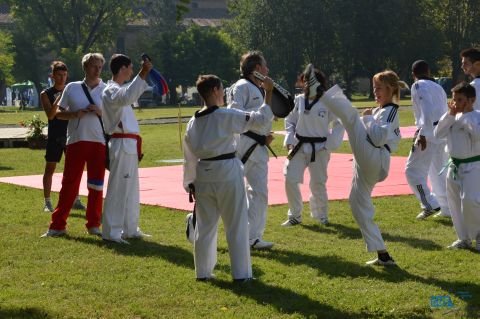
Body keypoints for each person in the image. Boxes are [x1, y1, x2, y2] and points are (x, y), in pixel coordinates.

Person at [183, 74, 274, 281]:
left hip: (203, 174)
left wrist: (190, 183)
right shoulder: (225, 115)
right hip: (227, 172)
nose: (224, 93)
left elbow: (188, 158)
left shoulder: (193, 122)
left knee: (205, 227)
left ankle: (203, 273)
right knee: (236, 225)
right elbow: (260, 119)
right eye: (222, 89)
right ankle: (241, 274)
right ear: (215, 90)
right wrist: (268, 92)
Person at [317, 70, 403, 266]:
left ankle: (322, 92)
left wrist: (367, 118)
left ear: (390, 89)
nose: (375, 91)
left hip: (376, 158)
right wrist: (369, 118)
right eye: (374, 88)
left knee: (353, 119)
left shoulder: (391, 110)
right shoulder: (380, 110)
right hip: (367, 161)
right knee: (357, 203)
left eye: (379, 88)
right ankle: (383, 254)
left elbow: (379, 137)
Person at [41, 53, 107, 237]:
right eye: (94, 66)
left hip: (98, 142)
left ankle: (94, 224)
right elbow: (57, 114)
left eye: (100, 67)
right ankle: (57, 226)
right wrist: (74, 114)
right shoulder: (72, 88)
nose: (97, 70)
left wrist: (100, 112)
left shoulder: (107, 89)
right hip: (76, 141)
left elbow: (115, 118)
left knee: (96, 186)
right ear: (85, 67)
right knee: (69, 184)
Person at [281, 66, 344, 227]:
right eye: (305, 82)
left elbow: (339, 123)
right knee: (290, 178)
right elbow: (290, 120)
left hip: (320, 147)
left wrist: (329, 144)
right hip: (299, 146)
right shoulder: (299, 100)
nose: (306, 85)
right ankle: (295, 214)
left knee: (318, 183)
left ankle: (320, 215)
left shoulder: (328, 102)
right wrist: (289, 139)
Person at [101, 54, 153, 244]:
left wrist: (142, 75)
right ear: (122, 68)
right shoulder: (110, 91)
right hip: (120, 143)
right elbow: (127, 96)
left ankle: (130, 228)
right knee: (118, 188)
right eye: (130, 68)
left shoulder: (120, 90)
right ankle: (112, 232)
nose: (131, 71)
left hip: (129, 143)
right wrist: (143, 73)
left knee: (131, 188)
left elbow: (131, 94)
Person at [227, 51, 275, 250]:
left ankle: (251, 237)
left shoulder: (254, 88)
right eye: (264, 66)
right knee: (235, 193)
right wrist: (268, 96)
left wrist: (263, 134)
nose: (267, 69)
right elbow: (235, 116)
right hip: (246, 146)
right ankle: (247, 237)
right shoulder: (242, 87)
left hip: (256, 146)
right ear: (257, 69)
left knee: (257, 193)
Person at [434, 82, 480, 251]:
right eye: (454, 99)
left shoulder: (477, 116)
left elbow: (477, 136)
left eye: (460, 100)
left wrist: (466, 116)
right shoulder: (451, 117)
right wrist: (450, 116)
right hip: (454, 165)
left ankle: (479, 234)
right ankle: (463, 238)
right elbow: (438, 134)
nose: (455, 103)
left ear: (471, 100)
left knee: (470, 200)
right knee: (453, 202)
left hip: (474, 165)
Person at [404, 60, 450, 220]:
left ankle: (429, 203)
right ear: (429, 71)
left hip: (428, 132)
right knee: (437, 171)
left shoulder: (418, 86)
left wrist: (422, 133)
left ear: (413, 74)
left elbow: (427, 110)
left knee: (412, 170)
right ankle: (446, 207)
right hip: (441, 131)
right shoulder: (439, 87)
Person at [40, 61, 86, 213]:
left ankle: (76, 199)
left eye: (64, 75)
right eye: (59, 75)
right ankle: (47, 202)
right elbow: (51, 115)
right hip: (55, 136)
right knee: (50, 168)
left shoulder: (71, 90)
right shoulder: (45, 94)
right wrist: (58, 100)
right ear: (52, 76)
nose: (62, 78)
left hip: (70, 134)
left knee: (74, 169)